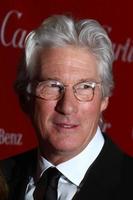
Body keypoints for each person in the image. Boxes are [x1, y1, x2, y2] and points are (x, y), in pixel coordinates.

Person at [1, 14, 133, 200]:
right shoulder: (3, 177)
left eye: (85, 87)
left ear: (105, 98)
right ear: (25, 97)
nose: (67, 106)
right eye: (53, 86)